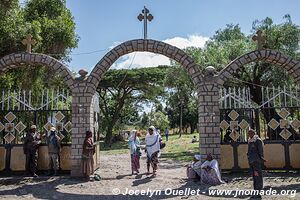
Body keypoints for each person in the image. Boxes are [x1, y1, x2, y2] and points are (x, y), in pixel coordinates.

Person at [247, 129, 265, 196]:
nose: (249, 135)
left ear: (253, 133)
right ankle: (255, 189)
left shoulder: (258, 140)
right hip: (251, 161)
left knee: (258, 175)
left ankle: (259, 190)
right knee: (254, 176)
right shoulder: (250, 140)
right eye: (248, 133)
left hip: (256, 161)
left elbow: (260, 151)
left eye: (250, 133)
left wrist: (261, 158)